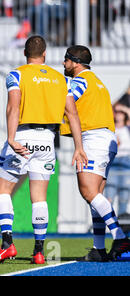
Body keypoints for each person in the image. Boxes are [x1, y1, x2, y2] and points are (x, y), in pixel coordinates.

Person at [0, 36, 87, 265]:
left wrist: (11, 138)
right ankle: (39, 251)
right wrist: (79, 147)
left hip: (22, 136)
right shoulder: (59, 79)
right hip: (46, 140)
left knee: (2, 191)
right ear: (45, 54)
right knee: (39, 198)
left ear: (25, 53)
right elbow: (72, 114)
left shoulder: (17, 74)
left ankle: (7, 245)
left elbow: (13, 106)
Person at [61, 45, 130, 262]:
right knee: (95, 196)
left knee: (88, 191)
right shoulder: (97, 82)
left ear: (75, 62)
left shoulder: (80, 80)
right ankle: (99, 249)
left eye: (66, 60)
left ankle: (119, 236)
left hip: (94, 139)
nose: (63, 64)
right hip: (106, 138)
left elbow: (68, 101)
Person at [104, 105, 129, 217]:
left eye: (120, 113)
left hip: (126, 163)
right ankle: (109, 225)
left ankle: (122, 227)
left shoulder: (127, 128)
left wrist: (124, 108)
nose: (118, 114)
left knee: (124, 196)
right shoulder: (110, 128)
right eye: (117, 112)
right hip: (113, 162)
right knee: (109, 196)